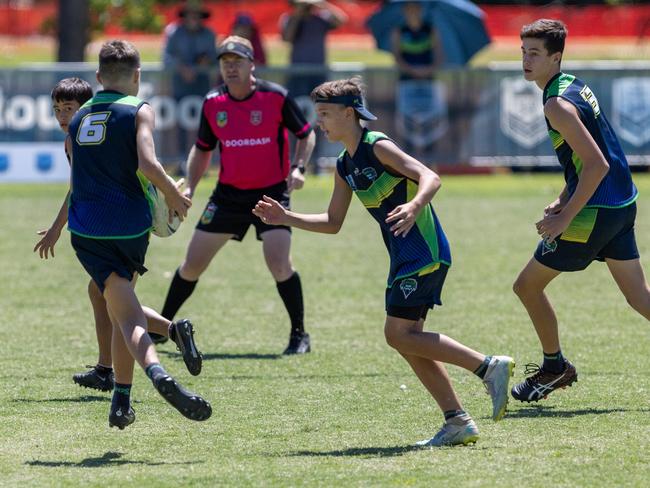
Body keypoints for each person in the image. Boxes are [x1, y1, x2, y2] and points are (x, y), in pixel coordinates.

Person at [253, 77, 514, 447]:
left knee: (398, 334)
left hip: (423, 251)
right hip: (403, 256)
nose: (319, 123)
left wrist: (414, 204)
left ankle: (487, 367)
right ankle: (457, 420)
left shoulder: (377, 146)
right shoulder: (345, 165)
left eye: (325, 115)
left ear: (349, 114)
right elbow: (332, 222)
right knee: (407, 340)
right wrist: (286, 218)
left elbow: (430, 176)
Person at [67, 40, 211, 429]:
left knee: (122, 312)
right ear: (137, 75)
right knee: (124, 313)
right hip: (129, 226)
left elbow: (75, 173)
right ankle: (149, 377)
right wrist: (174, 196)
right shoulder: (139, 109)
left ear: (98, 78)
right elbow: (148, 163)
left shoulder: (79, 116)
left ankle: (131, 390)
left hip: (85, 229)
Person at [34, 77, 203, 394]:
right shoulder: (85, 134)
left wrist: (58, 228)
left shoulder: (79, 137)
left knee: (118, 303)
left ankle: (128, 370)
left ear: (85, 108)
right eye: (56, 108)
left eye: (68, 108)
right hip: (122, 223)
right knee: (103, 295)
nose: (61, 116)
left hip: (120, 225)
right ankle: (110, 365)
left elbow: (82, 186)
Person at [512, 19, 650, 403]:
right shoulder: (573, 84)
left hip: (596, 210)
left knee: (526, 286)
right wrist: (563, 196)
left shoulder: (557, 104)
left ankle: (555, 368)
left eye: (535, 53)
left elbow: (596, 164)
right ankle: (555, 366)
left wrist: (564, 217)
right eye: (523, 51)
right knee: (640, 297)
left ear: (555, 57)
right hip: (622, 203)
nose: (526, 60)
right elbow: (590, 157)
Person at [160, 36, 316, 355]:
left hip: (270, 195)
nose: (230, 68)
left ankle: (300, 335)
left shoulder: (275, 97)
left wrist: (299, 167)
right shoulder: (213, 103)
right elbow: (202, 150)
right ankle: (162, 328)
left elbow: (306, 134)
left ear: (251, 64)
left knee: (279, 263)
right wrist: (190, 185)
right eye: (225, 63)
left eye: (237, 62)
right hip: (228, 196)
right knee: (191, 265)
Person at [162, 0, 218, 172]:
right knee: (180, 125)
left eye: (197, 14)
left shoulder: (209, 34)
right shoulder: (173, 32)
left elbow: (214, 58)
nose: (193, 17)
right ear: (184, 15)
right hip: (179, 87)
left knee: (202, 125)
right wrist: (182, 69)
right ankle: (180, 162)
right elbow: (166, 58)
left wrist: (204, 63)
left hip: (202, 87)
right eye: (190, 14)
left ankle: (202, 163)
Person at [390, 1, 447, 159]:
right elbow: (397, 57)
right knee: (407, 122)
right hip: (406, 82)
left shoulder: (430, 29)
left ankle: (430, 159)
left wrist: (428, 70)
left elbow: (439, 54)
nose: (412, 12)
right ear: (404, 10)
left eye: (416, 8)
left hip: (429, 82)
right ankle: (407, 159)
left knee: (431, 121)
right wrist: (412, 70)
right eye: (409, 8)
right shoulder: (399, 31)